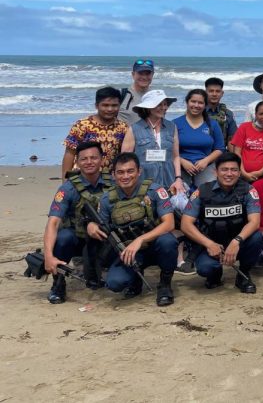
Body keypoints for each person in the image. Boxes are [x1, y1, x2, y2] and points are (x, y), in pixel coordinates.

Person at [91, 152, 178, 306]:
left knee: (168, 242)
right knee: (115, 283)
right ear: (113, 175)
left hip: (154, 246)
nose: (125, 176)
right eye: (120, 172)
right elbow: (102, 228)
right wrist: (91, 226)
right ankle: (135, 281)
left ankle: (165, 284)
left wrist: (140, 239)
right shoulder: (106, 200)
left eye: (130, 171)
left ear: (139, 172)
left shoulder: (155, 191)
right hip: (128, 251)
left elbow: (169, 223)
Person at [180, 152, 263, 294]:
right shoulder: (202, 191)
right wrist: (209, 244)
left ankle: (243, 275)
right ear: (215, 172)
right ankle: (215, 274)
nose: (229, 174)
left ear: (239, 172)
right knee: (205, 269)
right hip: (211, 244)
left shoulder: (248, 190)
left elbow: (255, 222)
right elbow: (185, 224)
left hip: (238, 242)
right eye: (224, 169)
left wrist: (236, 241)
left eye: (234, 170)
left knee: (256, 237)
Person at [43, 141, 111, 302]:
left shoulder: (113, 184)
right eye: (84, 159)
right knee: (63, 237)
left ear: (102, 159)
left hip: (103, 237)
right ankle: (58, 283)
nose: (89, 162)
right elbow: (52, 222)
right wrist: (48, 256)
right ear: (77, 162)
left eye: (94, 158)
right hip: (76, 237)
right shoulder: (68, 188)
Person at [121, 90, 184, 201]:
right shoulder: (134, 129)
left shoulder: (171, 127)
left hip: (169, 182)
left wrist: (178, 179)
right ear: (148, 107)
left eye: (165, 104)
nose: (164, 107)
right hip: (143, 185)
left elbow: (175, 156)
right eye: (159, 104)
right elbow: (125, 160)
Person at [61, 86, 127, 180]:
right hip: (82, 177)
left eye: (114, 105)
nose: (110, 109)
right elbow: (70, 153)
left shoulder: (123, 128)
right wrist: (65, 179)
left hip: (109, 180)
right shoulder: (82, 125)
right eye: (105, 105)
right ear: (96, 105)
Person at [175, 89, 225, 187]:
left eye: (200, 103)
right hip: (180, 168)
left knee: (209, 195)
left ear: (205, 105)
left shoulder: (213, 125)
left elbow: (220, 148)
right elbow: (168, 149)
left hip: (206, 168)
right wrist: (182, 161)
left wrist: (206, 161)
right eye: (193, 101)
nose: (196, 105)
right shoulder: (175, 124)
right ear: (187, 102)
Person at [119, 59, 155, 125]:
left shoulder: (156, 96)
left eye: (148, 73)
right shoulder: (121, 94)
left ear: (152, 75)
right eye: (140, 73)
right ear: (133, 74)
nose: (144, 77)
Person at [205, 77, 238, 146]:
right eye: (211, 91)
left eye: (217, 91)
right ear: (205, 93)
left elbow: (232, 139)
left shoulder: (228, 113)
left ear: (222, 93)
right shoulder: (198, 111)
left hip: (222, 152)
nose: (214, 94)